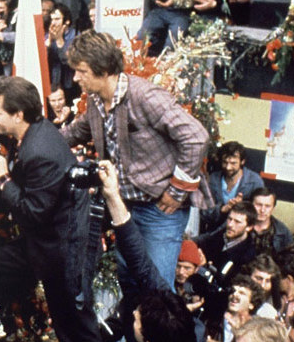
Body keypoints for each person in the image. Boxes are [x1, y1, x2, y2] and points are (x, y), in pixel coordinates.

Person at [0, 76, 102, 342]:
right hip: (47, 244)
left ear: (18, 115)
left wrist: (0, 177)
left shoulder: (41, 150)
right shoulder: (31, 135)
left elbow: (32, 211)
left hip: (65, 252)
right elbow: (17, 177)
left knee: (76, 332)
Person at [61, 30, 209, 293]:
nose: (76, 78)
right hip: (126, 209)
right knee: (130, 285)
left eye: (82, 71)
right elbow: (75, 132)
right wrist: (37, 140)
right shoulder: (97, 101)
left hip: (159, 211)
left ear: (104, 69)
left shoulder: (146, 97)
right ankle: (133, 336)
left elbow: (196, 137)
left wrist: (176, 191)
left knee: (157, 291)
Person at [97, 160, 219, 342]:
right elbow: (141, 264)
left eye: (137, 321)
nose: (133, 313)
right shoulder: (189, 330)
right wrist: (113, 196)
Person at [203, 141, 265, 233]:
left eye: (233, 163)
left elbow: (258, 214)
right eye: (225, 162)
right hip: (213, 233)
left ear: (242, 161)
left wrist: (242, 207)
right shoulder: (213, 179)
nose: (228, 167)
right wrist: (222, 209)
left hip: (241, 234)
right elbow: (204, 213)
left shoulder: (254, 181)